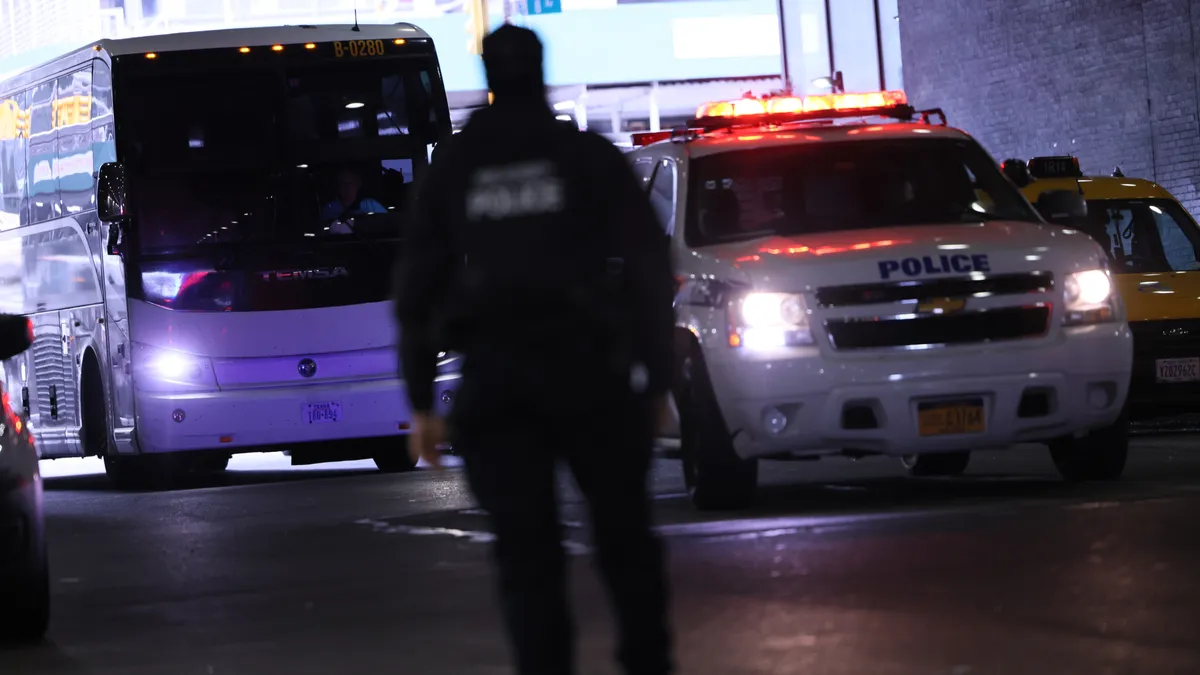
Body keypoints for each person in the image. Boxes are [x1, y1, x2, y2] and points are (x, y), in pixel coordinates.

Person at [393, 23, 676, 675]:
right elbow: (645, 268)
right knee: (626, 542)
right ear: (542, 73)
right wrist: (656, 378)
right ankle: (648, 662)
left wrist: (421, 402)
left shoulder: (457, 171)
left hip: (498, 380)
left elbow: (416, 289)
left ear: (489, 79)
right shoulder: (586, 156)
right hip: (591, 372)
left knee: (526, 556)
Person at [321, 167, 387, 224]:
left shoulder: (371, 205)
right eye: (342, 184)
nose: (346, 187)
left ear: (358, 185)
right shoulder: (330, 208)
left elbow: (386, 223)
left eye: (350, 184)